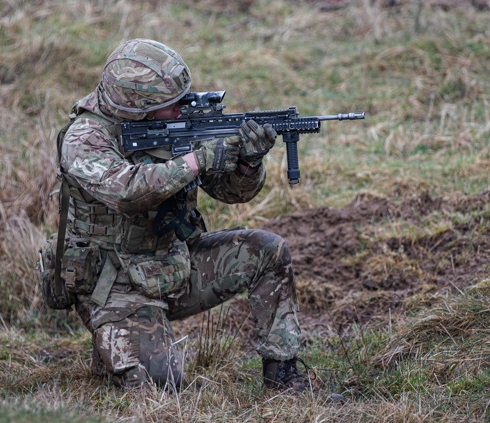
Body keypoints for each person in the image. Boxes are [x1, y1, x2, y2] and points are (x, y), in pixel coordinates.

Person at [44, 38, 307, 391]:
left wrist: (247, 163)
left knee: (268, 251)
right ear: (138, 108)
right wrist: (197, 160)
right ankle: (117, 342)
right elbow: (127, 191)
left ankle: (283, 378)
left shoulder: (177, 125)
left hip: (173, 264)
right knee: (161, 386)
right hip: (114, 281)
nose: (182, 109)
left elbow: (230, 193)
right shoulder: (84, 137)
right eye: (171, 104)